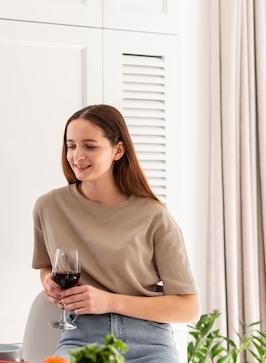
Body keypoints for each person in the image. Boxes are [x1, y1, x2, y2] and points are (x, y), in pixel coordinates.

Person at [32, 104, 201, 362]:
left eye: (89, 146)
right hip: (81, 336)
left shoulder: (154, 216)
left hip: (150, 342)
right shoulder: (49, 207)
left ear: (118, 150)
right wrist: (48, 281)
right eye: (71, 145)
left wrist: (109, 302)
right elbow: (47, 266)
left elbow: (189, 308)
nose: (77, 156)